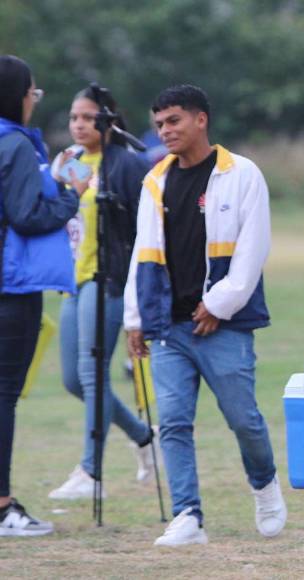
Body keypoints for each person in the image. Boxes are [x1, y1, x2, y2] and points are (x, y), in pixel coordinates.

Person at [124, 84, 286, 546]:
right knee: (173, 422)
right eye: (158, 125)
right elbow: (142, 253)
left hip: (225, 323)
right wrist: (135, 318)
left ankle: (265, 484)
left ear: (200, 120)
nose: (165, 131)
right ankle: (187, 516)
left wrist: (218, 304)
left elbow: (254, 250)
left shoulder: (242, 174)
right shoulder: (154, 179)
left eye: (173, 121)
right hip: (169, 324)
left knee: (243, 418)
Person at [47, 87, 153, 500]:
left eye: (88, 117)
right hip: (72, 281)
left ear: (107, 119)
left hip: (108, 279)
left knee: (93, 375)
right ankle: (145, 437)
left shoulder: (126, 165)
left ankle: (90, 471)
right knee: (75, 380)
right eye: (74, 117)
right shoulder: (66, 162)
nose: (78, 124)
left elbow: (141, 227)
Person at [0, 55, 79, 536]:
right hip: (12, 288)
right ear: (17, 95)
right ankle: (3, 505)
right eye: (33, 92)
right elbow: (27, 215)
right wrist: (70, 195)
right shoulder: (15, 144)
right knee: (4, 394)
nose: (35, 100)